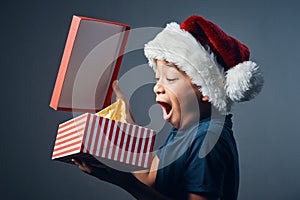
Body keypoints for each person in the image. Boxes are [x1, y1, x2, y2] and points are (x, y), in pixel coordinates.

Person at [72, 15, 263, 200]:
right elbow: (148, 177)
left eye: (170, 78)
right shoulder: (184, 131)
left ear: (205, 88)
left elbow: (138, 183)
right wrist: (124, 117)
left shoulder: (208, 138)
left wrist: (125, 182)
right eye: (157, 79)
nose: (157, 87)